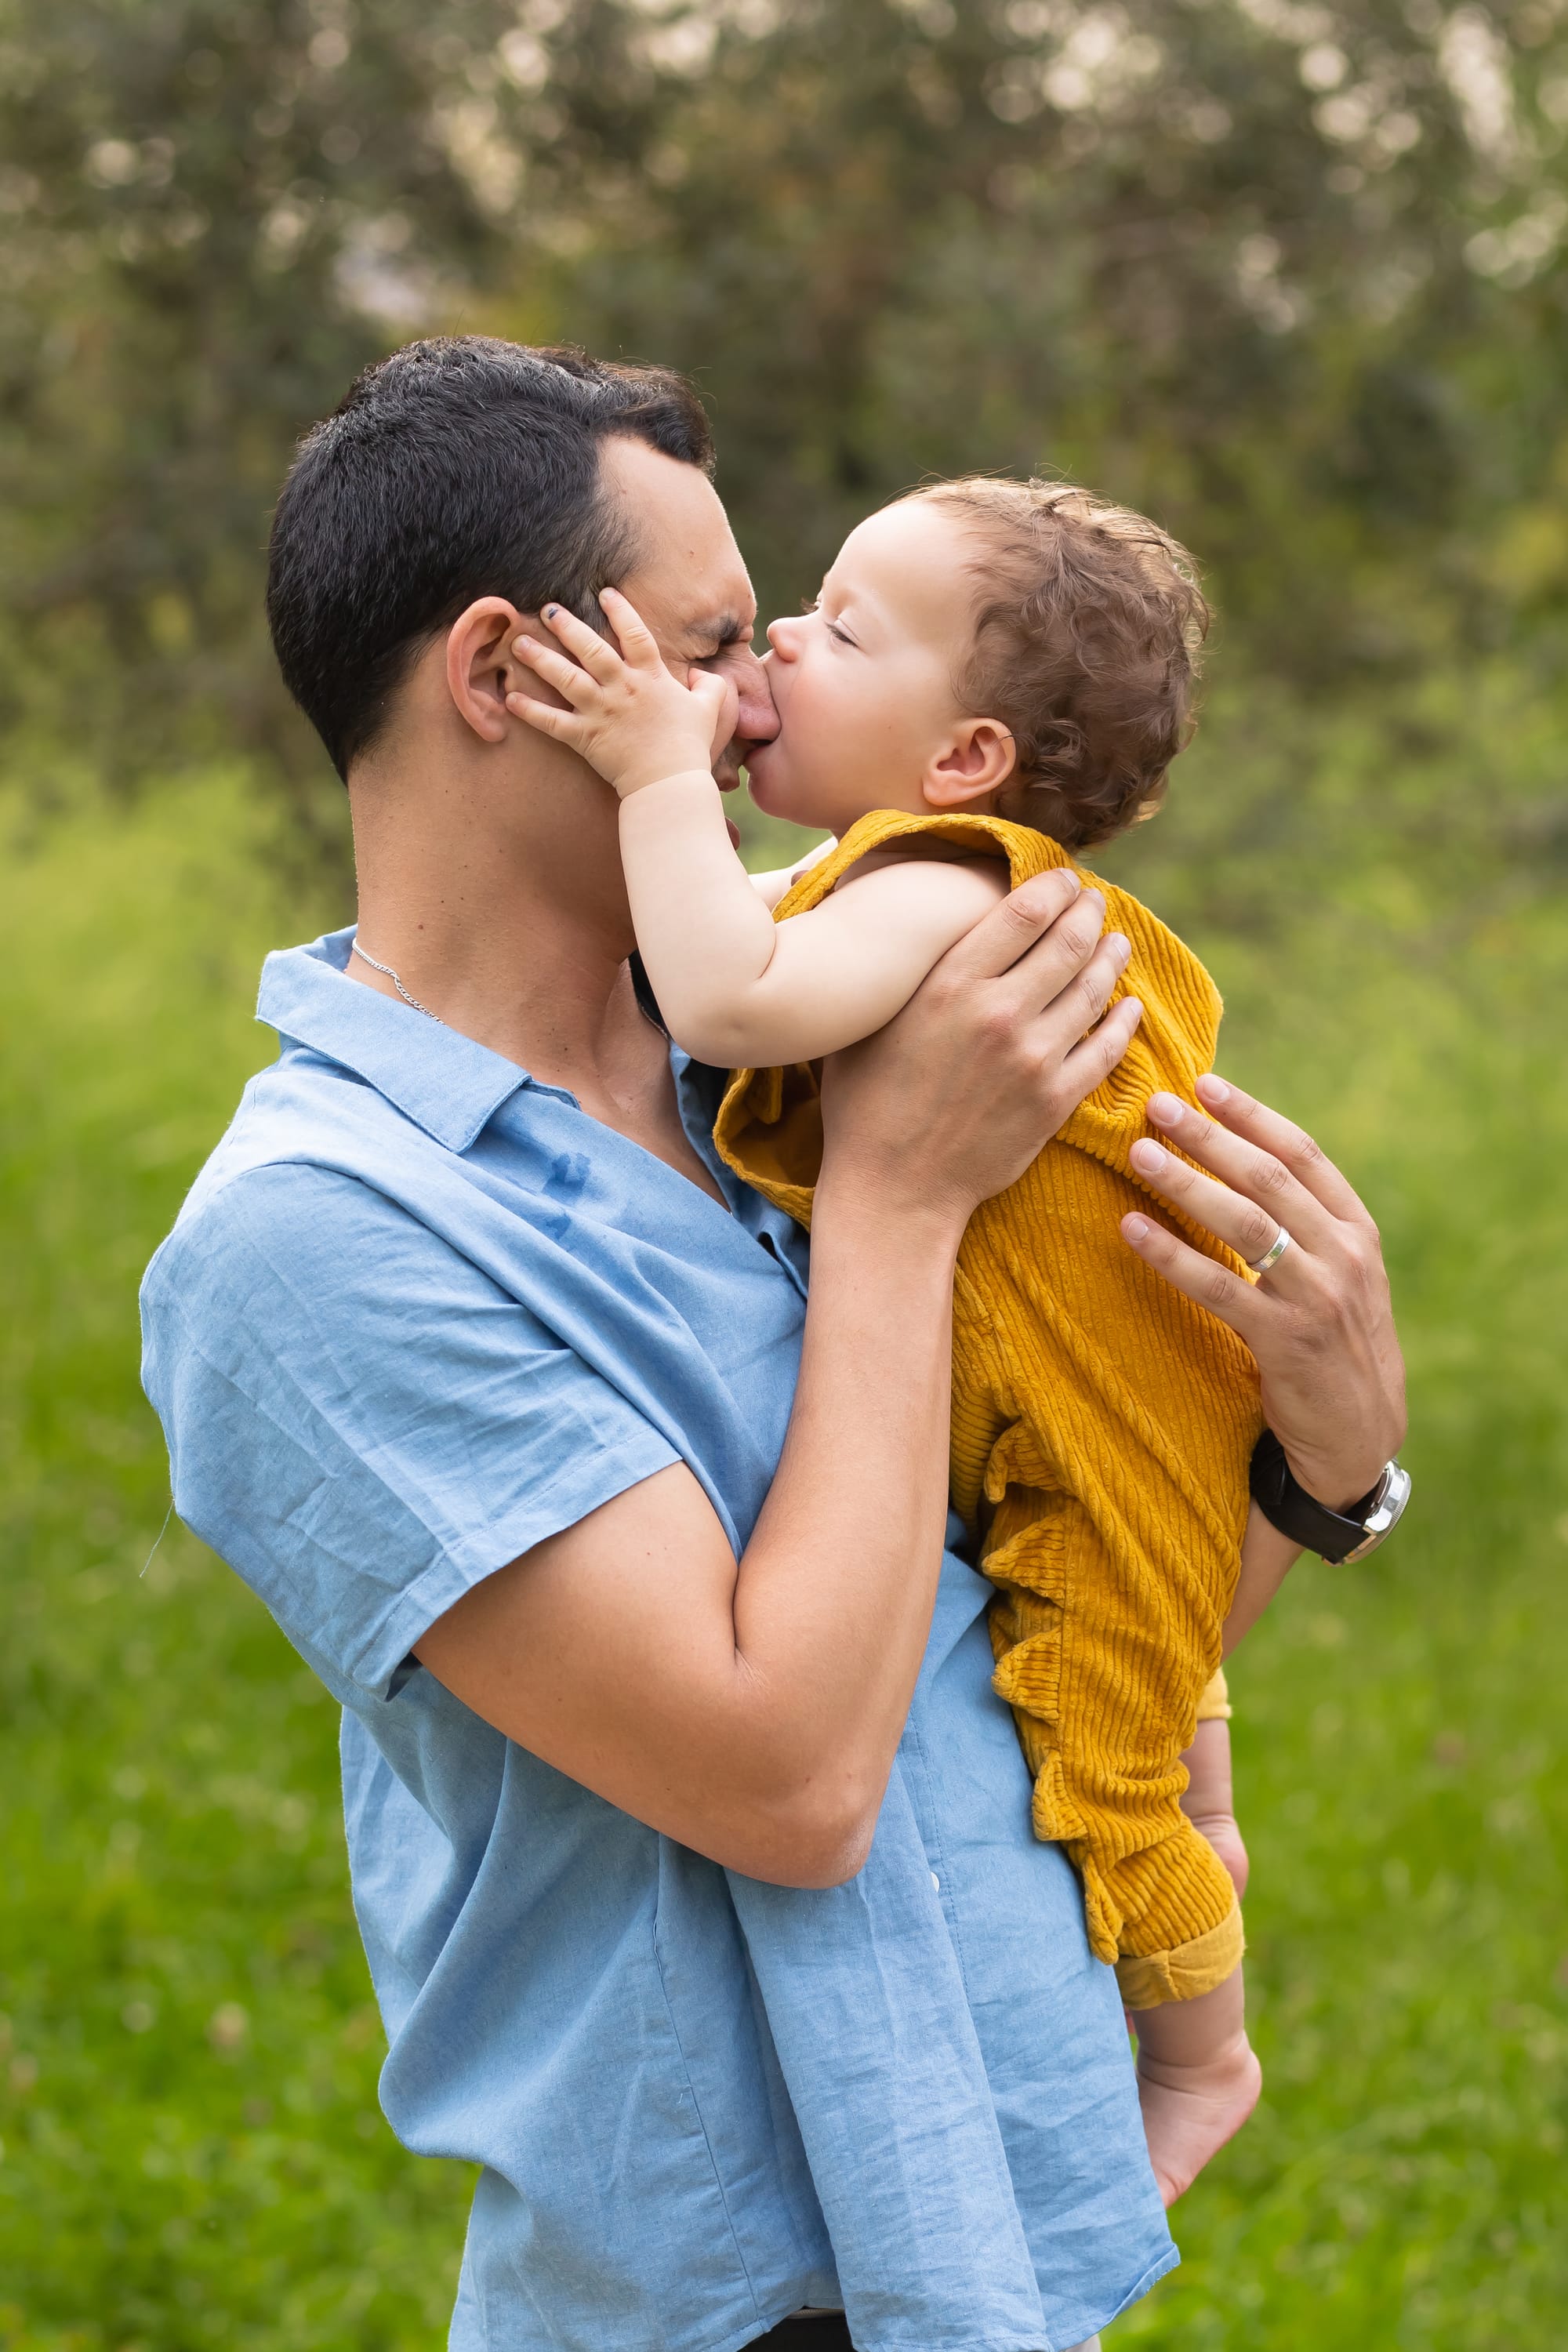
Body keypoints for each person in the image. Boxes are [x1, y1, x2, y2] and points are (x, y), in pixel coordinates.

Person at [140, 337, 1406, 2352]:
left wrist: (1318, 1467)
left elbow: (1014, 1665)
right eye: (720, 642)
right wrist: (900, 1209)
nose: (758, 705)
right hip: (726, 2294)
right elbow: (797, 1777)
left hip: (1004, 2232)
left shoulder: (807, 1062)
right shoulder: (321, 1239)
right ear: (497, 675)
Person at [496, 472, 1414, 2206]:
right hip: (1125, 1405)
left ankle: (1205, 2062)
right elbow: (744, 940)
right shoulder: (892, 875)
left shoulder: (949, 884)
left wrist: (642, 774)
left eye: (840, 626)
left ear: (969, 758)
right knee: (1172, 1713)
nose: (778, 636)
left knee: (1117, 1756)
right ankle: (1208, 1922)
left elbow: (725, 995)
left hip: (1100, 1412)